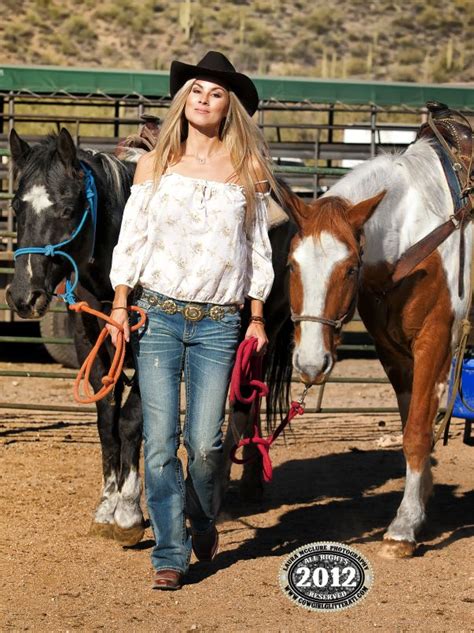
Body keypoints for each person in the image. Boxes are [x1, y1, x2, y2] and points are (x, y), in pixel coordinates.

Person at [107, 51, 277, 591]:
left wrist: (256, 316)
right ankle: (170, 551)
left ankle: (202, 519)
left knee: (206, 444)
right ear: (184, 100)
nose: (204, 99)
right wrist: (118, 304)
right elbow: (132, 240)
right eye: (197, 90)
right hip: (157, 314)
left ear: (230, 107)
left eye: (216, 93)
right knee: (160, 442)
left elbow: (257, 249)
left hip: (220, 323)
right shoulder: (153, 165)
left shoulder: (248, 170)